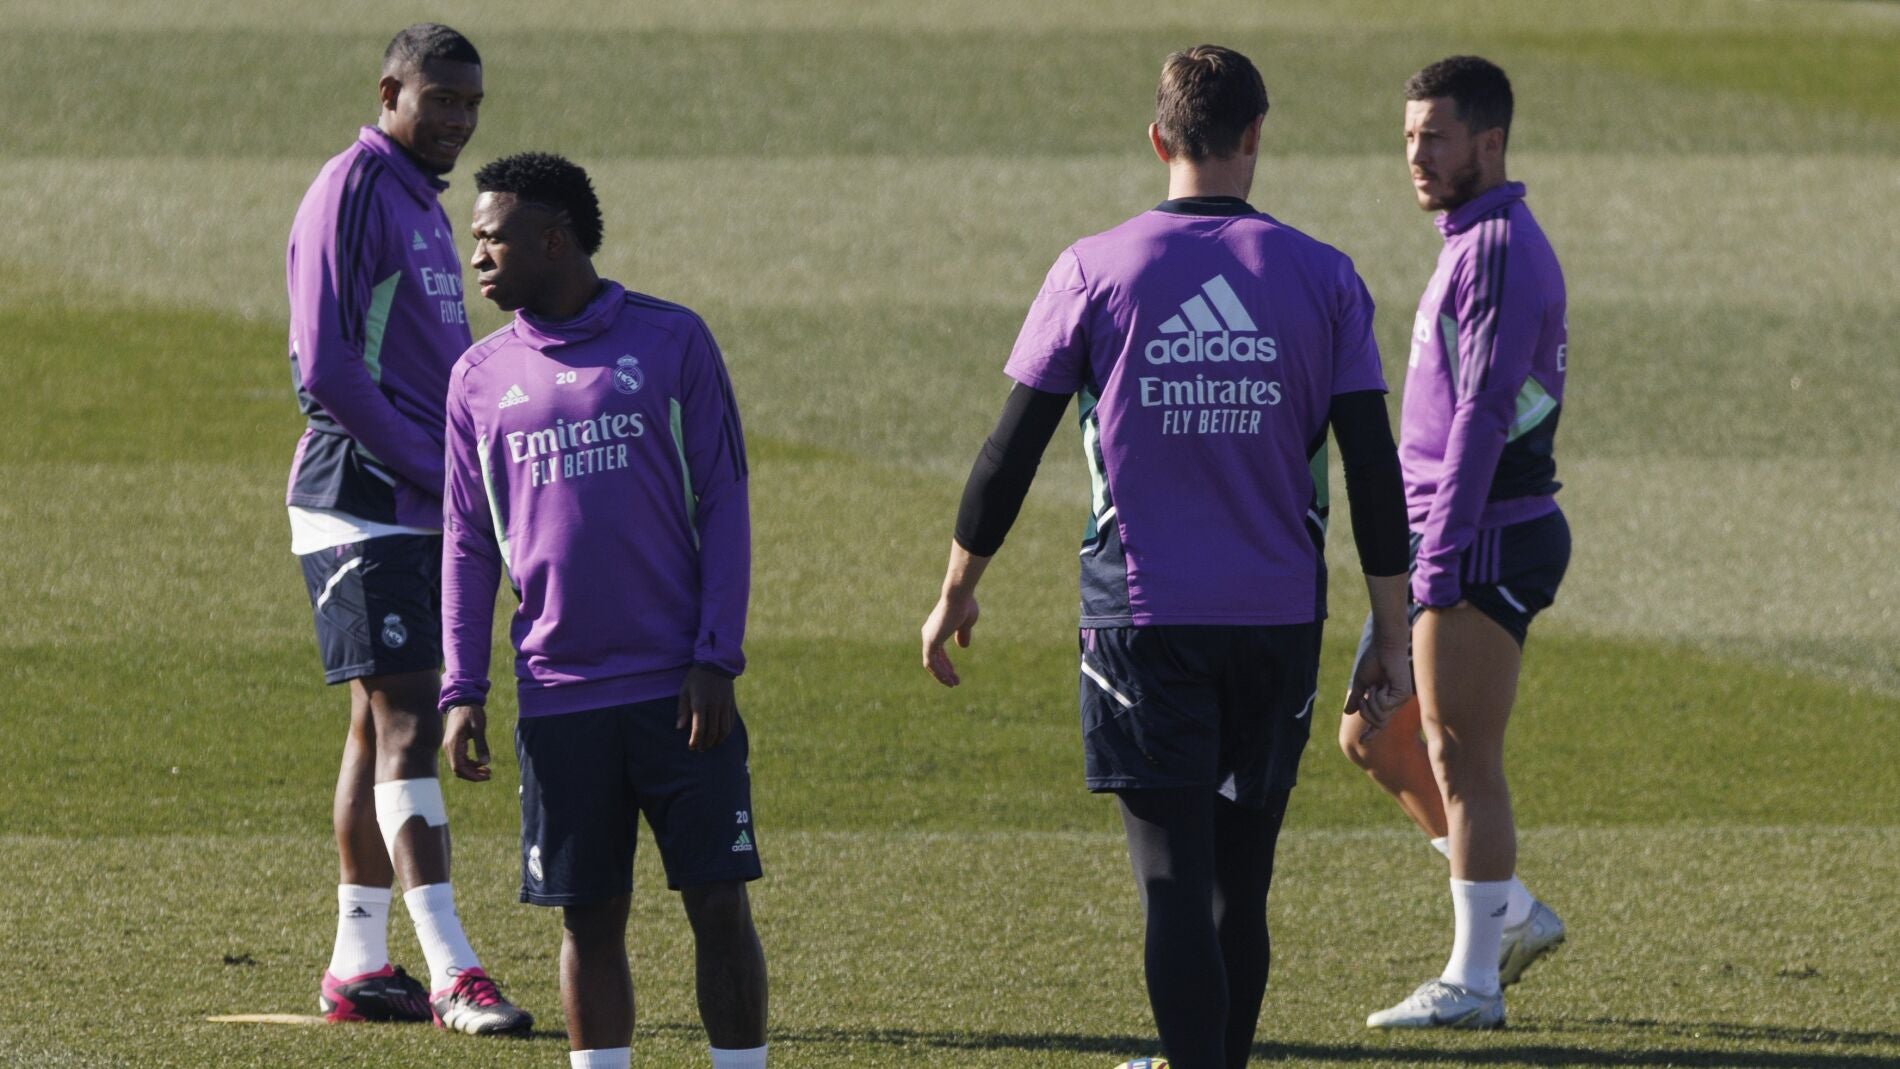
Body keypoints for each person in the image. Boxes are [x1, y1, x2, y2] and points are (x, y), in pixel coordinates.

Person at [919, 46, 1414, 1069]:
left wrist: (958, 587)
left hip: (1142, 622)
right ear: (1255, 136)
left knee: (1172, 881)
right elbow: (1374, 469)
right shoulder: (1324, 275)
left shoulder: (1093, 269)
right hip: (1277, 619)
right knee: (1242, 882)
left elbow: (1010, 449)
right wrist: (1393, 630)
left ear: (1157, 140)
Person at [440, 152, 768, 1069]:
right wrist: (462, 686)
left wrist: (716, 655)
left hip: (679, 691)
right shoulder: (477, 377)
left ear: (554, 240)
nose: (478, 257)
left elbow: (725, 500)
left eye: (493, 238)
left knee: (718, 902)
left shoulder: (672, 340)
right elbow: (466, 540)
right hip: (559, 695)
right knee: (587, 916)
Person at [284, 22, 530, 1034]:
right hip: (365, 498)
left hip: (415, 502)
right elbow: (324, 367)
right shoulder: (352, 188)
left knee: (376, 722)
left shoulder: (422, 203)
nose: (459, 121)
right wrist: (440, 472)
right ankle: (451, 969)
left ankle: (359, 964)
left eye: (472, 105)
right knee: (408, 725)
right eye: (441, 102)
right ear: (390, 92)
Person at [1354, 55, 1571, 1030]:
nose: (1417, 155)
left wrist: (1433, 567)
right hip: (1450, 534)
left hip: (1482, 537)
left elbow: (1481, 415)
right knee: (1375, 735)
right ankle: (1510, 909)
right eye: (1409, 137)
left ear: (1490, 141)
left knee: (1457, 752)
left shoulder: (1494, 251)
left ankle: (1475, 979)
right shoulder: (1473, 240)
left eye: (1435, 138)